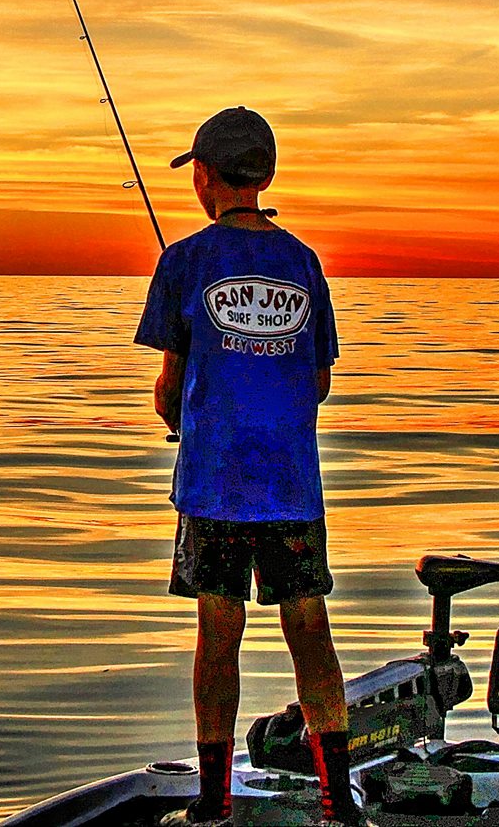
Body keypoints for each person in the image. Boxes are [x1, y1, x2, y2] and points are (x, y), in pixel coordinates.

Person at [134, 106, 359, 827]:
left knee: (218, 635)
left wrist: (178, 408)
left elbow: (170, 384)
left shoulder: (184, 260)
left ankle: (212, 804)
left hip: (214, 484)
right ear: (265, 176)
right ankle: (339, 804)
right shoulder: (303, 260)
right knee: (310, 632)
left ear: (202, 175)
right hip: (291, 485)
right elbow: (318, 380)